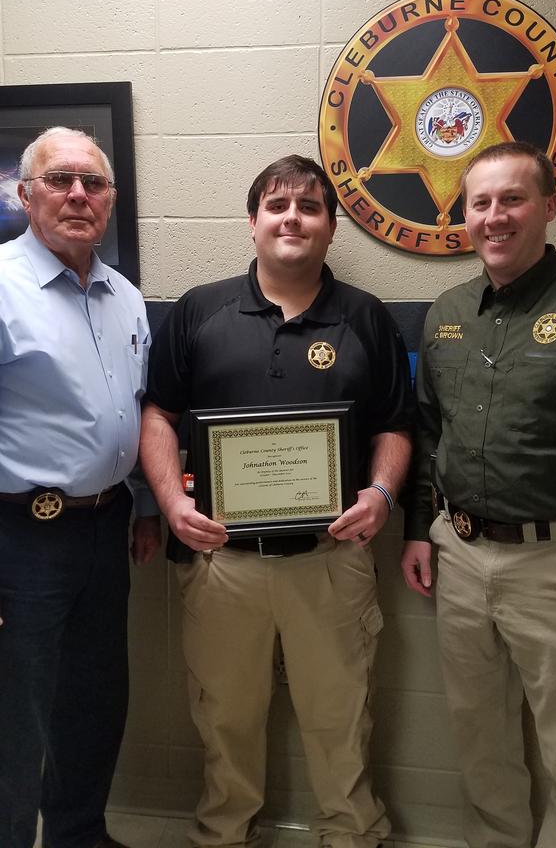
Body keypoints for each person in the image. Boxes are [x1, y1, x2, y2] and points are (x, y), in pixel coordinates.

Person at [140, 154, 413, 848]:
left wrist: (382, 493)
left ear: (329, 226)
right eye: (276, 204)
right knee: (224, 718)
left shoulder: (365, 317)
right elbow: (157, 418)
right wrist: (171, 504)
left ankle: (350, 834)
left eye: (309, 206)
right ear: (253, 222)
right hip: (222, 563)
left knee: (340, 716)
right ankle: (222, 835)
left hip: (330, 559)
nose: (292, 216)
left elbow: (394, 424)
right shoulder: (201, 310)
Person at [0, 127, 161, 848]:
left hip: (105, 530)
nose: (77, 195)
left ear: (110, 200)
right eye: (60, 180)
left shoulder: (123, 295)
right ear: (24, 194)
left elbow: (135, 410)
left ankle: (77, 835)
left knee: (94, 701)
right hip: (18, 536)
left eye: (92, 184)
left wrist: (147, 506)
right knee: (14, 712)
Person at [401, 141, 556, 848]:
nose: (494, 216)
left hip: (549, 562)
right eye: (480, 203)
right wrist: (416, 530)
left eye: (512, 199)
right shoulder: (445, 312)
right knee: (478, 733)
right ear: (463, 215)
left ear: (549, 206)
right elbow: (427, 431)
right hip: (458, 554)